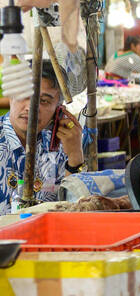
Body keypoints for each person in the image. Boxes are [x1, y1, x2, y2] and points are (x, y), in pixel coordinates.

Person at [0, 61, 86, 208]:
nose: (31, 108)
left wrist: (75, 157)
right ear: (11, 97)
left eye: (44, 101)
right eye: (23, 96)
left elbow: (73, 209)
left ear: (59, 109)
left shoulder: (61, 145)